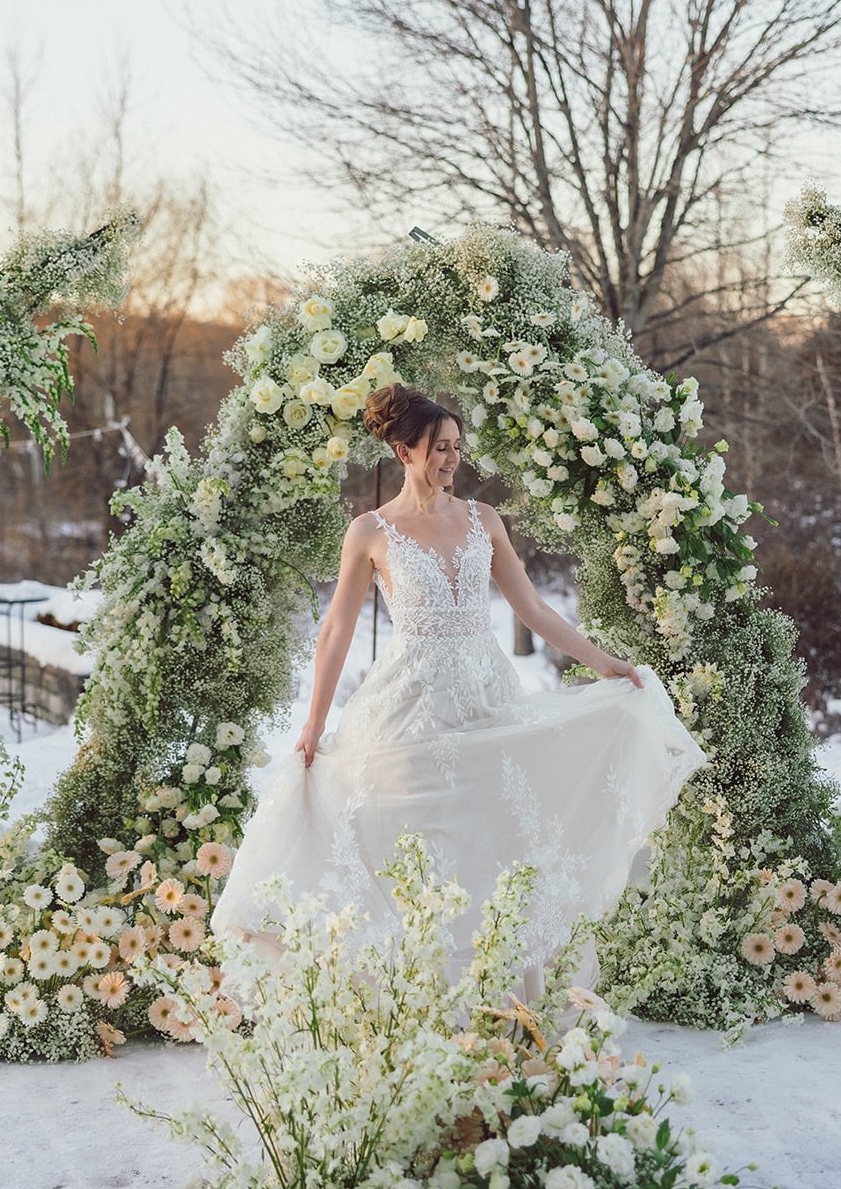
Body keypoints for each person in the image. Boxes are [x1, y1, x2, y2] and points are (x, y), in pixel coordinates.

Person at [211, 383, 707, 989]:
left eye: (456, 447)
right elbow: (336, 631)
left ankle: (500, 991)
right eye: (439, 447)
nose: (452, 459)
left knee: (496, 833)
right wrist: (314, 720)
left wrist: (604, 663)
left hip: (486, 693)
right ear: (404, 451)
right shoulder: (369, 531)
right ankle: (417, 987)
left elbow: (534, 610)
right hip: (411, 702)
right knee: (415, 837)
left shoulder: (484, 520)